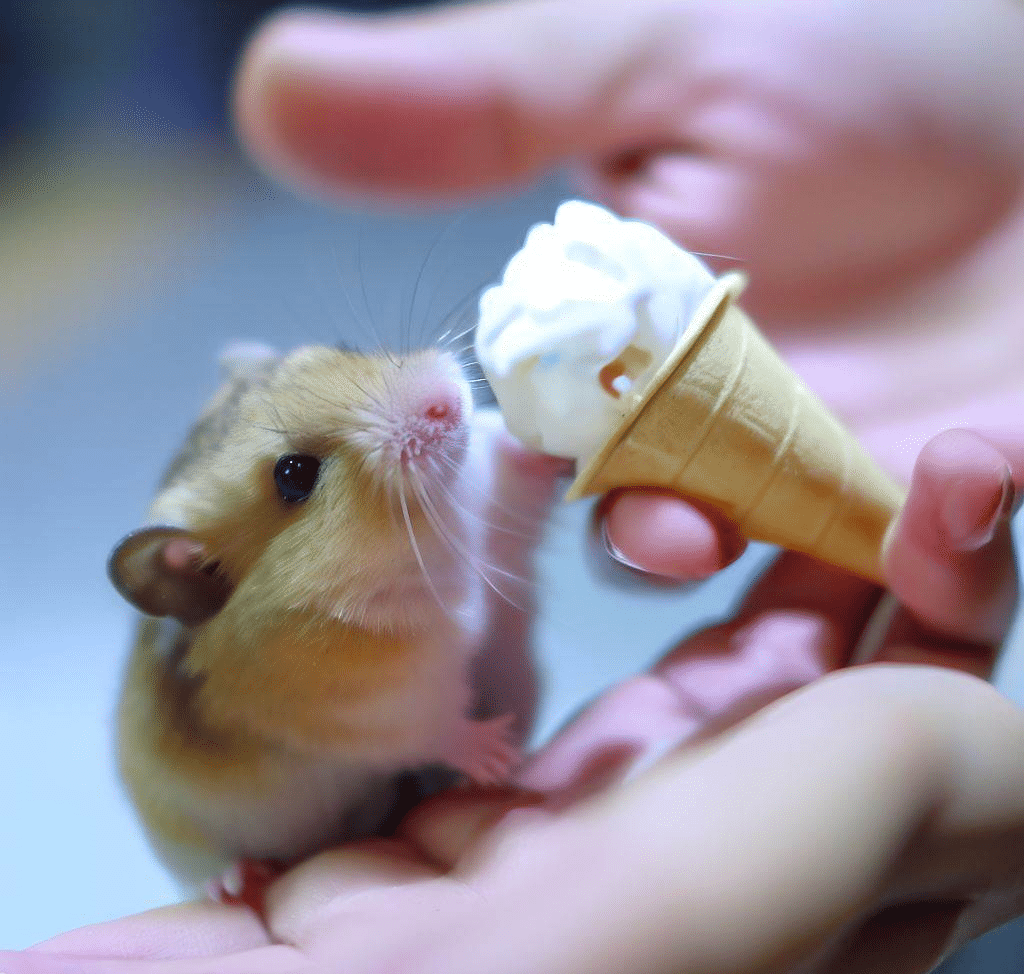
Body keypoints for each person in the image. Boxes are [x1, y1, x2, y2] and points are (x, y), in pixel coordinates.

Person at [5, 0, 1024, 971]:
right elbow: (376, 714)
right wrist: (441, 733)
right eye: (297, 474)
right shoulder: (270, 665)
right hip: (254, 808)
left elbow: (491, 501)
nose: (432, 400)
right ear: (203, 581)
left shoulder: (374, 520)